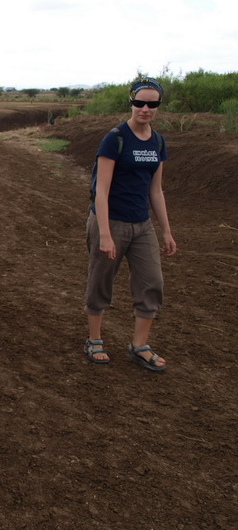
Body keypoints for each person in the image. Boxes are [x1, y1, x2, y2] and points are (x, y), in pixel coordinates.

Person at [84, 77, 176, 370]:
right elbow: (101, 189)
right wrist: (105, 234)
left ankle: (139, 345)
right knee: (101, 280)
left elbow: (156, 189)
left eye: (152, 103)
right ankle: (94, 339)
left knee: (151, 283)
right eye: (140, 103)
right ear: (131, 102)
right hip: (110, 220)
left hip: (141, 223)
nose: (145, 108)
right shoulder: (116, 138)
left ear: (158, 106)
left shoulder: (158, 141)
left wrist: (166, 230)